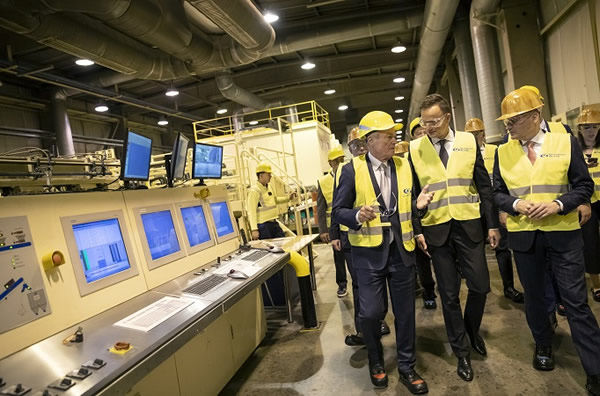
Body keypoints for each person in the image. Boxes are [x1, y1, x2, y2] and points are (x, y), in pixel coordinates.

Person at [493, 88, 600, 396]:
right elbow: (497, 192)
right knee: (536, 298)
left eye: (513, 120)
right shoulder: (503, 151)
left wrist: (558, 204)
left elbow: (583, 186)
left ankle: (594, 368)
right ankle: (543, 344)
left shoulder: (564, 142)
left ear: (535, 116)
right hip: (525, 237)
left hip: (563, 235)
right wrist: (514, 206)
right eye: (507, 122)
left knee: (576, 302)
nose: (508, 127)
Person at [333, 111, 434, 393]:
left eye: (394, 136)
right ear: (371, 141)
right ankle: (376, 361)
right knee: (371, 313)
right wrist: (356, 215)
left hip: (402, 251)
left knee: (405, 314)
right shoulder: (352, 170)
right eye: (388, 137)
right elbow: (338, 211)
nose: (394, 141)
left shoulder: (403, 166)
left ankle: (406, 367)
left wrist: (420, 208)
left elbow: (408, 204)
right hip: (367, 254)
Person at [409, 94, 499, 382]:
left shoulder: (468, 142)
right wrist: (418, 228)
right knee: (448, 295)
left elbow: (484, 187)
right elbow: (412, 194)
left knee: (481, 286)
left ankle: (471, 331)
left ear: (447, 117)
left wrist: (493, 225)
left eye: (433, 122)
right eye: (424, 123)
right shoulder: (414, 149)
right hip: (436, 229)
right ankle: (461, 351)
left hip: (469, 224)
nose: (428, 127)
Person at [330, 128, 390, 346]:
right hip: (349, 237)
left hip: (375, 237)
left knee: (374, 284)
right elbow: (336, 207)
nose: (359, 149)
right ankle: (364, 329)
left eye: (362, 145)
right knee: (359, 284)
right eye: (354, 146)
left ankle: (377, 321)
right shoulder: (345, 170)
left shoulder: (377, 167)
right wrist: (334, 233)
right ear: (350, 148)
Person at [464, 117, 524, 303]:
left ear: (483, 134)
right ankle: (482, 287)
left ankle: (508, 287)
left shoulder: (495, 151)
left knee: (502, 247)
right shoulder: (463, 154)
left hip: (495, 204)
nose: (475, 137)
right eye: (471, 134)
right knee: (476, 249)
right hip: (475, 207)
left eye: (478, 133)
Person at [409, 117, 438, 310]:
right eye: (418, 133)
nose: (423, 134)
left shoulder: (440, 154)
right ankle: (428, 290)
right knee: (423, 261)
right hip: (422, 219)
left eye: (424, 131)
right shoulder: (411, 158)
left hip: (443, 216)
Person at [317, 146, 348, 298]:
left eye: (342, 160)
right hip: (334, 228)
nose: (340, 164)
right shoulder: (323, 182)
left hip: (351, 226)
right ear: (330, 163)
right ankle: (342, 284)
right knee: (339, 258)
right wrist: (323, 230)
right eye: (337, 161)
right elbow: (321, 208)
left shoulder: (350, 174)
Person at [576, 107, 600, 303]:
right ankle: (597, 284)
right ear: (579, 129)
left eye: (594, 126)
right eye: (586, 127)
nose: (591, 130)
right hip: (586, 203)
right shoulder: (574, 150)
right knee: (590, 243)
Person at [247, 162, 294, 240]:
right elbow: (251, 211)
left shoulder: (269, 187)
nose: (271, 176)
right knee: (270, 248)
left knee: (283, 242)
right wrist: (254, 229)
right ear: (261, 176)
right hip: (263, 226)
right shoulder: (254, 191)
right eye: (268, 174)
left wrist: (288, 198)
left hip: (273, 223)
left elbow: (274, 200)